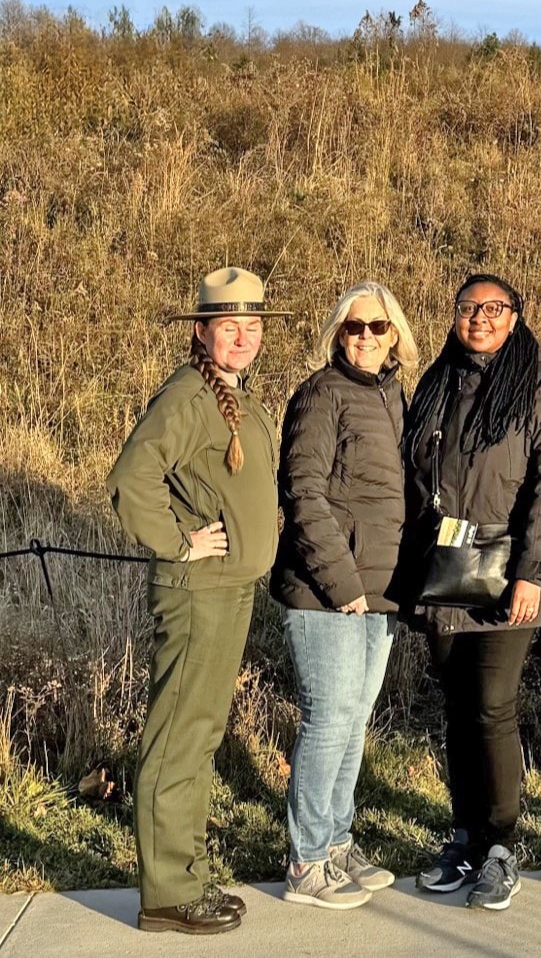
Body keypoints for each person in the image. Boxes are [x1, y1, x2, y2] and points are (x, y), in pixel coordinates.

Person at [107, 267, 289, 935]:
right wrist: (178, 542)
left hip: (229, 589)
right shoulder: (189, 395)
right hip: (198, 590)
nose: (242, 337)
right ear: (200, 331)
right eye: (228, 326)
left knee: (201, 730)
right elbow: (132, 476)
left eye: (252, 326)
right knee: (179, 735)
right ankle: (166, 894)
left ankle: (182, 874)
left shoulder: (232, 396)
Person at [391, 274, 541, 911]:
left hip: (505, 576)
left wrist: (535, 572)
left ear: (516, 316)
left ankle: (501, 846)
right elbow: (416, 473)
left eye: (494, 309)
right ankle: (465, 835)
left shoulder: (539, 388)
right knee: (458, 711)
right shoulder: (438, 382)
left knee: (493, 709)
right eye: (469, 308)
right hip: (444, 572)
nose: (480, 318)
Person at [271, 282, 419, 910]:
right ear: (337, 332)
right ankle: (306, 863)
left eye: (377, 327)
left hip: (380, 592)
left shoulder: (395, 396)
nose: (364, 337)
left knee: (353, 722)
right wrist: (342, 584)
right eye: (353, 327)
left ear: (395, 336)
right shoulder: (319, 395)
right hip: (327, 591)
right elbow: (303, 493)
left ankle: (335, 842)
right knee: (328, 720)